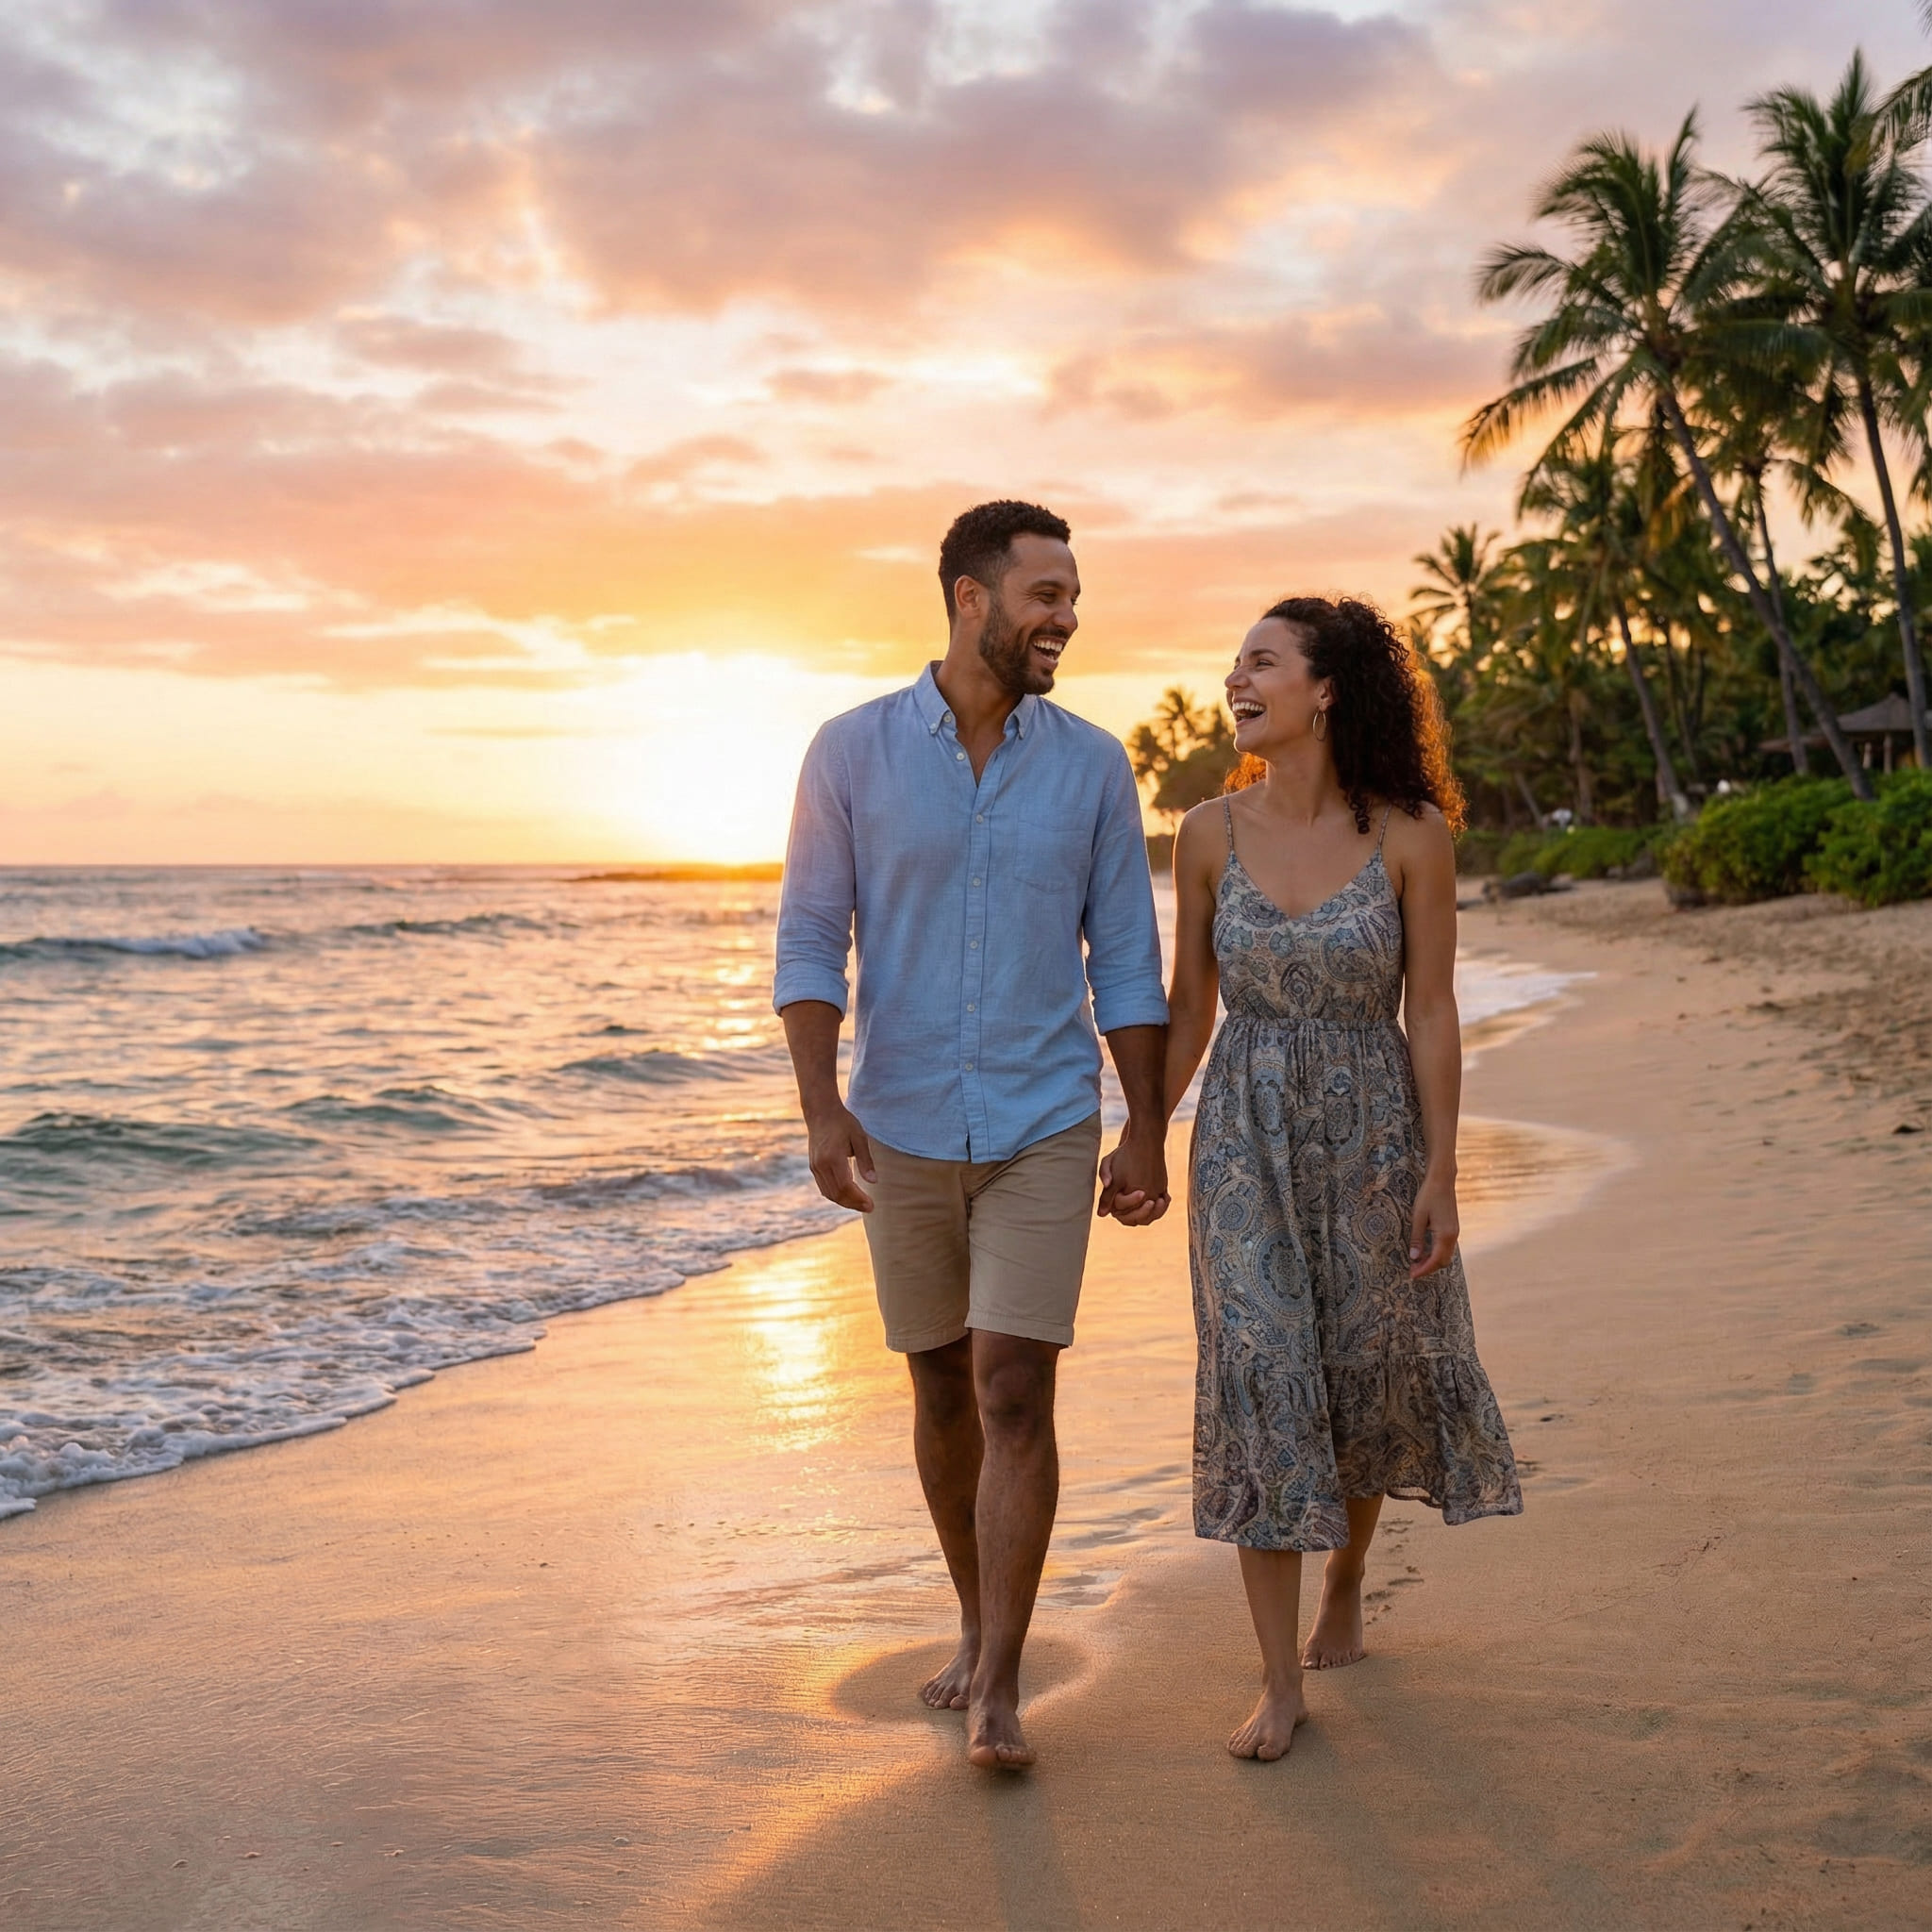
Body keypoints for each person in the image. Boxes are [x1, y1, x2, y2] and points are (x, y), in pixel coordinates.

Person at [774, 499, 1171, 1771]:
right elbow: (809, 937)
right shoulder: (848, 752)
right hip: (898, 1124)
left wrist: (1147, 1125)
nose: (1065, 617)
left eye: (1071, 596)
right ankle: (973, 1613)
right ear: (969, 597)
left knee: (1012, 1383)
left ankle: (998, 1683)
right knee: (940, 1382)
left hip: (1046, 1116)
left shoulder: (1093, 764)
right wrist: (820, 1104)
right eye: (1045, 594)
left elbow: (1129, 959)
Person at [1141, 593, 1522, 1763]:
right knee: (1263, 1373)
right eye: (1231, 666)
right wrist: (1138, 1130)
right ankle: (1275, 1680)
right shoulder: (1207, 830)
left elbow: (1434, 1007)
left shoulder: (1410, 833)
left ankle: (1346, 1575)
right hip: (1242, 1135)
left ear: (1325, 688)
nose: (1235, 681)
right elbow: (1191, 1004)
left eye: (1260, 662)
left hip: (1372, 1133)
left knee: (1358, 1377)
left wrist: (1441, 1171)